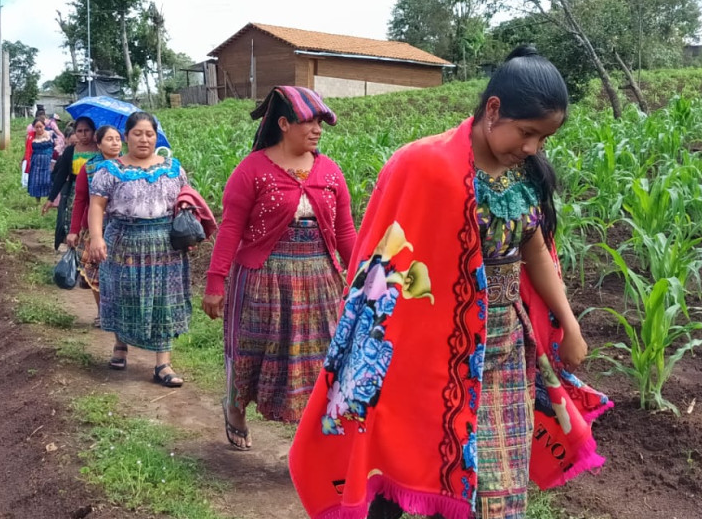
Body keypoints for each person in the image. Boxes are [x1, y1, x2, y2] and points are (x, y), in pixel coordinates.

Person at [288, 46, 611, 519]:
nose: (532, 148)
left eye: (543, 139)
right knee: (403, 459)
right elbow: (383, 262)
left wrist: (570, 325)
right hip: (424, 344)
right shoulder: (421, 164)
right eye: (527, 133)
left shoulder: (524, 174)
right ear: (493, 109)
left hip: (503, 346)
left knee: (493, 478)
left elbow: (535, 250)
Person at [202, 86, 358, 451]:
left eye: (320, 122)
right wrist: (215, 282)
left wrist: (364, 277)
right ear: (284, 123)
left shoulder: (330, 171)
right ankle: (235, 408)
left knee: (320, 357)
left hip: (319, 279)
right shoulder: (252, 169)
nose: (317, 129)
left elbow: (346, 231)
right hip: (263, 279)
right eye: (308, 121)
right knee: (250, 350)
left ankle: (312, 441)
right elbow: (231, 230)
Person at [85, 112, 193, 387]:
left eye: (149, 134)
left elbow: (186, 200)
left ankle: (163, 364)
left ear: (156, 137)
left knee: (163, 300)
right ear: (126, 137)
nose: (144, 139)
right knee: (124, 294)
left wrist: (189, 229)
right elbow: (96, 205)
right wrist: (96, 238)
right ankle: (120, 346)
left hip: (165, 244)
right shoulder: (109, 170)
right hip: (123, 240)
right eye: (137, 133)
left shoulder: (173, 168)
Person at [69, 125, 122, 328]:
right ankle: (102, 312)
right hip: (95, 227)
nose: (115, 143)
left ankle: (118, 311)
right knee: (96, 271)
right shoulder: (90, 168)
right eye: (109, 139)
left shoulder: (130, 166)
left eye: (118, 139)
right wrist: (74, 231)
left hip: (122, 227)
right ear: (98, 144)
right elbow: (80, 200)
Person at [44, 116, 99, 250]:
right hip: (76, 192)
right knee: (74, 224)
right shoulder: (71, 151)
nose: (84, 134)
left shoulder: (100, 150)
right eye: (79, 131)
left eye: (87, 130)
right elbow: (61, 175)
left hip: (97, 191)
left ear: (93, 131)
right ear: (75, 132)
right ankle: (76, 257)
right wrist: (51, 198)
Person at [26, 117, 56, 200]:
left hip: (48, 162)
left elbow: (57, 146)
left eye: (41, 127)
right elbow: (27, 150)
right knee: (36, 180)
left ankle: (50, 199)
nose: (39, 129)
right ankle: (37, 199)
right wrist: (24, 160)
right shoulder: (31, 137)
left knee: (48, 179)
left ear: (44, 126)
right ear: (34, 127)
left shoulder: (50, 134)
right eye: (37, 127)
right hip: (36, 163)